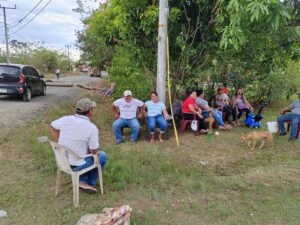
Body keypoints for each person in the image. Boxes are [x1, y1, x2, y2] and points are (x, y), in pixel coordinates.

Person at [50, 98, 107, 194]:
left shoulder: (65, 119)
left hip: (62, 161)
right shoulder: (91, 127)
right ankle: (86, 182)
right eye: (92, 109)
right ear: (89, 111)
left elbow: (52, 126)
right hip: (77, 164)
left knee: (85, 155)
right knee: (102, 156)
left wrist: (60, 141)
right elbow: (93, 152)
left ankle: (83, 180)